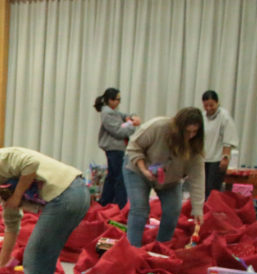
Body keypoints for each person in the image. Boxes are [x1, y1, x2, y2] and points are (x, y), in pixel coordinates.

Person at [123, 107, 205, 247]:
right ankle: (132, 249)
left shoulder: (195, 146)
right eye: (187, 131)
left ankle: (161, 248)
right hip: (137, 170)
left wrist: (198, 209)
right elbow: (134, 146)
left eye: (194, 132)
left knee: (173, 210)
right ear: (178, 127)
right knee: (140, 209)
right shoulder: (158, 126)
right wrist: (144, 169)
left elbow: (197, 177)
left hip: (169, 179)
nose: (190, 135)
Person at [94, 88, 140, 207]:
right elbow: (118, 131)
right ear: (110, 100)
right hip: (114, 148)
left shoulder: (112, 112)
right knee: (120, 176)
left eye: (120, 100)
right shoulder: (107, 113)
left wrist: (132, 117)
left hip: (116, 148)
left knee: (112, 176)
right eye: (117, 100)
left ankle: (106, 201)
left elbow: (123, 116)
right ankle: (120, 203)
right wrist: (132, 125)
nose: (118, 102)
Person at [201, 90, 239, 198]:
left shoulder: (224, 117)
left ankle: (211, 208)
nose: (209, 108)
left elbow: (228, 139)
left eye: (211, 105)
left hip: (217, 159)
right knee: (202, 188)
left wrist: (225, 158)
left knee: (212, 189)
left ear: (217, 103)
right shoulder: (202, 116)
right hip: (203, 158)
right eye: (206, 105)